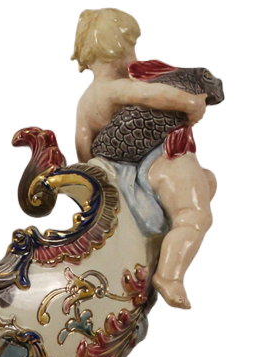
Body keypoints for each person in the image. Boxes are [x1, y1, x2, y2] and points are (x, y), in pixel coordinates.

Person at [72, 7, 218, 308]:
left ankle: (165, 242)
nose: (135, 56)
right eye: (131, 49)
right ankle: (170, 275)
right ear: (116, 54)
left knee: (207, 182)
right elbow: (152, 96)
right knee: (195, 215)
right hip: (146, 166)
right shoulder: (116, 88)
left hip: (122, 168)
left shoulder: (86, 100)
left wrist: (94, 178)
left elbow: (83, 142)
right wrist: (191, 103)